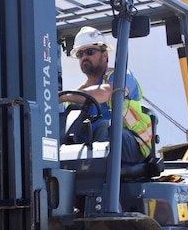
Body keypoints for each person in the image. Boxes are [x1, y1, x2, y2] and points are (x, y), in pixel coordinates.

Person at [60, 26, 153, 164]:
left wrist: (63, 96)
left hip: (132, 143)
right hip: (93, 147)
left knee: (105, 128)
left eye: (90, 52)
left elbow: (107, 93)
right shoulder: (77, 94)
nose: (84, 57)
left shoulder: (120, 76)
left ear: (104, 55)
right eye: (80, 54)